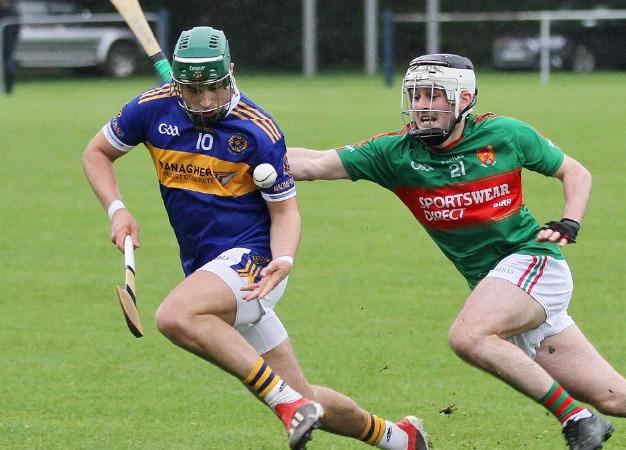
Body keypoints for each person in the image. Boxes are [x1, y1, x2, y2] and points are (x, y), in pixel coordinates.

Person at [287, 53, 626, 450]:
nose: (422, 107)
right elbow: (310, 164)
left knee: (469, 336)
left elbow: (575, 172)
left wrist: (570, 221)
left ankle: (574, 419)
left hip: (534, 263)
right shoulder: (395, 153)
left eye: (434, 96)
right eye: (415, 96)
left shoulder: (505, 135)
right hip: (500, 287)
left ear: (463, 100)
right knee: (616, 395)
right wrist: (253, 145)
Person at [82, 26, 429, 450]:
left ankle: (285, 406)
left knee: (175, 316)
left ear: (231, 73)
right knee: (308, 398)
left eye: (215, 87)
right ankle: (399, 439)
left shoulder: (259, 131)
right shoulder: (150, 109)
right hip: (206, 267)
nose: (206, 100)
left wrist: (284, 260)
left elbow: (285, 211)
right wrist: (117, 210)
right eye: (193, 90)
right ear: (177, 84)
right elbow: (97, 152)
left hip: (252, 262)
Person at [0, 0, 19, 94]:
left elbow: (17, 28)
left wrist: (13, 40)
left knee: (9, 66)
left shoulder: (13, 11)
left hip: (8, 43)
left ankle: (9, 88)